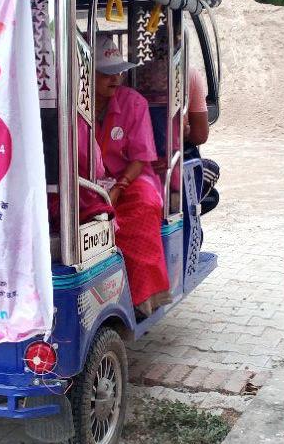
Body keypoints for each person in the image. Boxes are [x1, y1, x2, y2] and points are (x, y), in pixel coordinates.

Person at [93, 35, 171, 317]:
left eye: (119, 72)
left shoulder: (134, 103)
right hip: (91, 181)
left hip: (133, 178)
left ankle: (144, 299)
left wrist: (118, 188)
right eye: (107, 73)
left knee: (143, 208)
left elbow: (140, 159)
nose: (115, 79)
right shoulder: (74, 103)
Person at [185, 67, 220, 214]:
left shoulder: (129, 77)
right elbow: (200, 135)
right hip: (172, 162)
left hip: (132, 164)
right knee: (212, 170)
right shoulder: (189, 74)